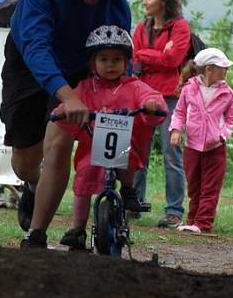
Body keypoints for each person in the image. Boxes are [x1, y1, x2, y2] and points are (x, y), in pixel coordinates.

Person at [0, 0, 131, 249]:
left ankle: (36, 235)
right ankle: (33, 184)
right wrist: (65, 95)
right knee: (25, 163)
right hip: (30, 62)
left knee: (58, 146)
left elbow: (121, 58)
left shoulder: (116, 7)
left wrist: (124, 98)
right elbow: (35, 45)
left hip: (78, 68)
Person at [52, 25, 166, 250]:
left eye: (116, 59)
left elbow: (150, 96)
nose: (110, 64)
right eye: (103, 59)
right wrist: (63, 110)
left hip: (124, 145)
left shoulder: (134, 87)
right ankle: (77, 228)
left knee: (129, 157)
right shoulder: (86, 87)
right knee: (84, 176)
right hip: (92, 144)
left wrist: (152, 105)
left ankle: (128, 188)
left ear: (127, 62)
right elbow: (70, 102)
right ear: (92, 63)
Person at [131, 0, 190, 228]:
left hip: (170, 98)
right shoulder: (141, 28)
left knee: (171, 154)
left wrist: (148, 57)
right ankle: (133, 204)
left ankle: (174, 211)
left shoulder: (180, 28)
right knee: (137, 154)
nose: (144, 2)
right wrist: (158, 55)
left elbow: (173, 58)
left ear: (163, 1)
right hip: (143, 96)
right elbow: (134, 59)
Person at [169, 48, 233, 233]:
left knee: (210, 188)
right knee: (194, 187)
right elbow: (180, 112)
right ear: (209, 69)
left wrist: (221, 135)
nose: (226, 71)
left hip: (215, 149)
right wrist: (176, 130)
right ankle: (192, 221)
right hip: (191, 147)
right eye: (223, 67)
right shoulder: (189, 89)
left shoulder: (228, 94)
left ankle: (203, 224)